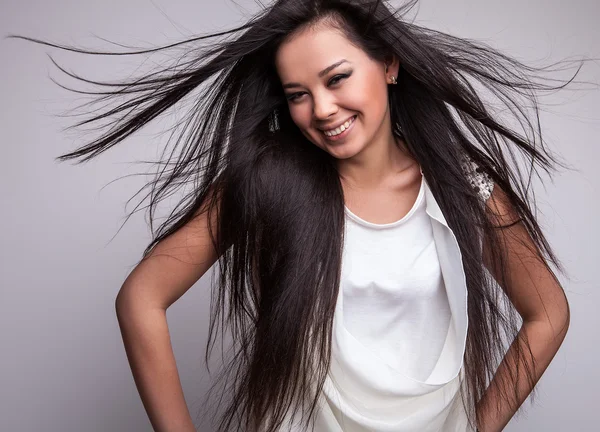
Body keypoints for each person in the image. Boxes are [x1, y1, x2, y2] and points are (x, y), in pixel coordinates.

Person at [10, 0, 582, 430]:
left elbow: (548, 312)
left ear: (388, 65)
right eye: (297, 93)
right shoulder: (268, 181)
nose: (322, 109)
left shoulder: (462, 185)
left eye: (336, 79)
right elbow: (141, 297)